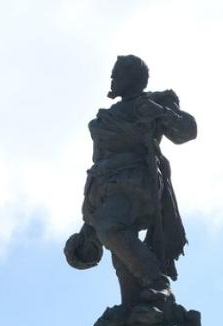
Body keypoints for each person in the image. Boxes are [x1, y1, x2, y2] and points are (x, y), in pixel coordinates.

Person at [65, 55, 197, 307]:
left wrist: (160, 112)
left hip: (137, 180)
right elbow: (98, 159)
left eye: (117, 75)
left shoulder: (156, 101)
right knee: (118, 249)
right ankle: (132, 305)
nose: (112, 80)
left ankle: (158, 284)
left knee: (111, 228)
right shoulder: (106, 117)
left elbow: (187, 131)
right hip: (102, 185)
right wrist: (89, 218)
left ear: (133, 78)